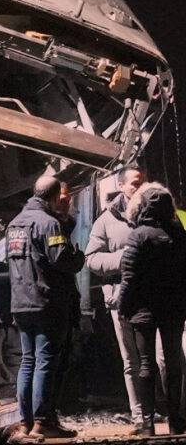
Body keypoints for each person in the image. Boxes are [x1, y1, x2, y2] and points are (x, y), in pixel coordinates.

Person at [7, 176, 84, 438]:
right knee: (45, 362)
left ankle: (25, 422)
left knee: (27, 361)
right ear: (53, 198)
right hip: (46, 303)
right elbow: (61, 260)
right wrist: (78, 256)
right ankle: (43, 421)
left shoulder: (15, 223)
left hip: (20, 302)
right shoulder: (49, 224)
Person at [117, 182, 186, 436]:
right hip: (174, 308)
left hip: (143, 309)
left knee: (145, 364)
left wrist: (123, 306)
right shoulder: (179, 234)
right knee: (173, 362)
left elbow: (129, 277)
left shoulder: (139, 234)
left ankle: (147, 424)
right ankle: (177, 421)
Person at [86, 167, 152, 427]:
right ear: (122, 185)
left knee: (161, 357)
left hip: (153, 296)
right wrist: (122, 258)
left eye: (143, 182)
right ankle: (140, 416)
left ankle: (168, 410)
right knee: (131, 361)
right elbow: (91, 258)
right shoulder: (106, 220)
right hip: (120, 298)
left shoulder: (155, 212)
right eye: (135, 182)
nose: (140, 186)